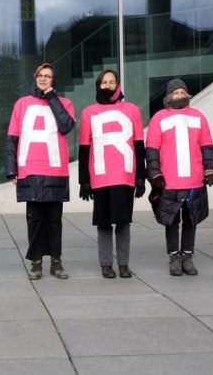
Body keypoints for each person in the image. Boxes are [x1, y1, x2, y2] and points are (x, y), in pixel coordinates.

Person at [7, 63, 76, 280]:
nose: (44, 79)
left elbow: (66, 126)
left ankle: (56, 261)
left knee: (54, 219)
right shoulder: (22, 104)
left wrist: (52, 98)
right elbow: (12, 138)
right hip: (30, 169)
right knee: (34, 218)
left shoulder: (65, 103)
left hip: (55, 170)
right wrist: (11, 170)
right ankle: (36, 262)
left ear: (53, 81)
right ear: (35, 78)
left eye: (48, 76)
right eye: (40, 76)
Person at [145, 78, 213, 276]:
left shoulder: (198, 116)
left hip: (194, 178)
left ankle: (187, 256)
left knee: (191, 220)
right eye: (175, 93)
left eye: (182, 92)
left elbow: (207, 146)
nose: (179, 96)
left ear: (187, 95)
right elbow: (152, 150)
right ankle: (174, 256)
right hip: (170, 180)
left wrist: (210, 168)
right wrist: (155, 174)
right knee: (172, 221)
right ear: (168, 96)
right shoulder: (159, 118)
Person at [78, 69, 144, 278]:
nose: (108, 85)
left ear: (118, 85)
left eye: (112, 81)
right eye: (104, 82)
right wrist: (84, 180)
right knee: (104, 223)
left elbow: (139, 145)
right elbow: (84, 148)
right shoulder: (88, 112)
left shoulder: (132, 110)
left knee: (123, 222)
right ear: (98, 85)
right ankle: (106, 264)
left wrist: (141, 176)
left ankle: (123, 264)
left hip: (125, 175)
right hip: (100, 176)